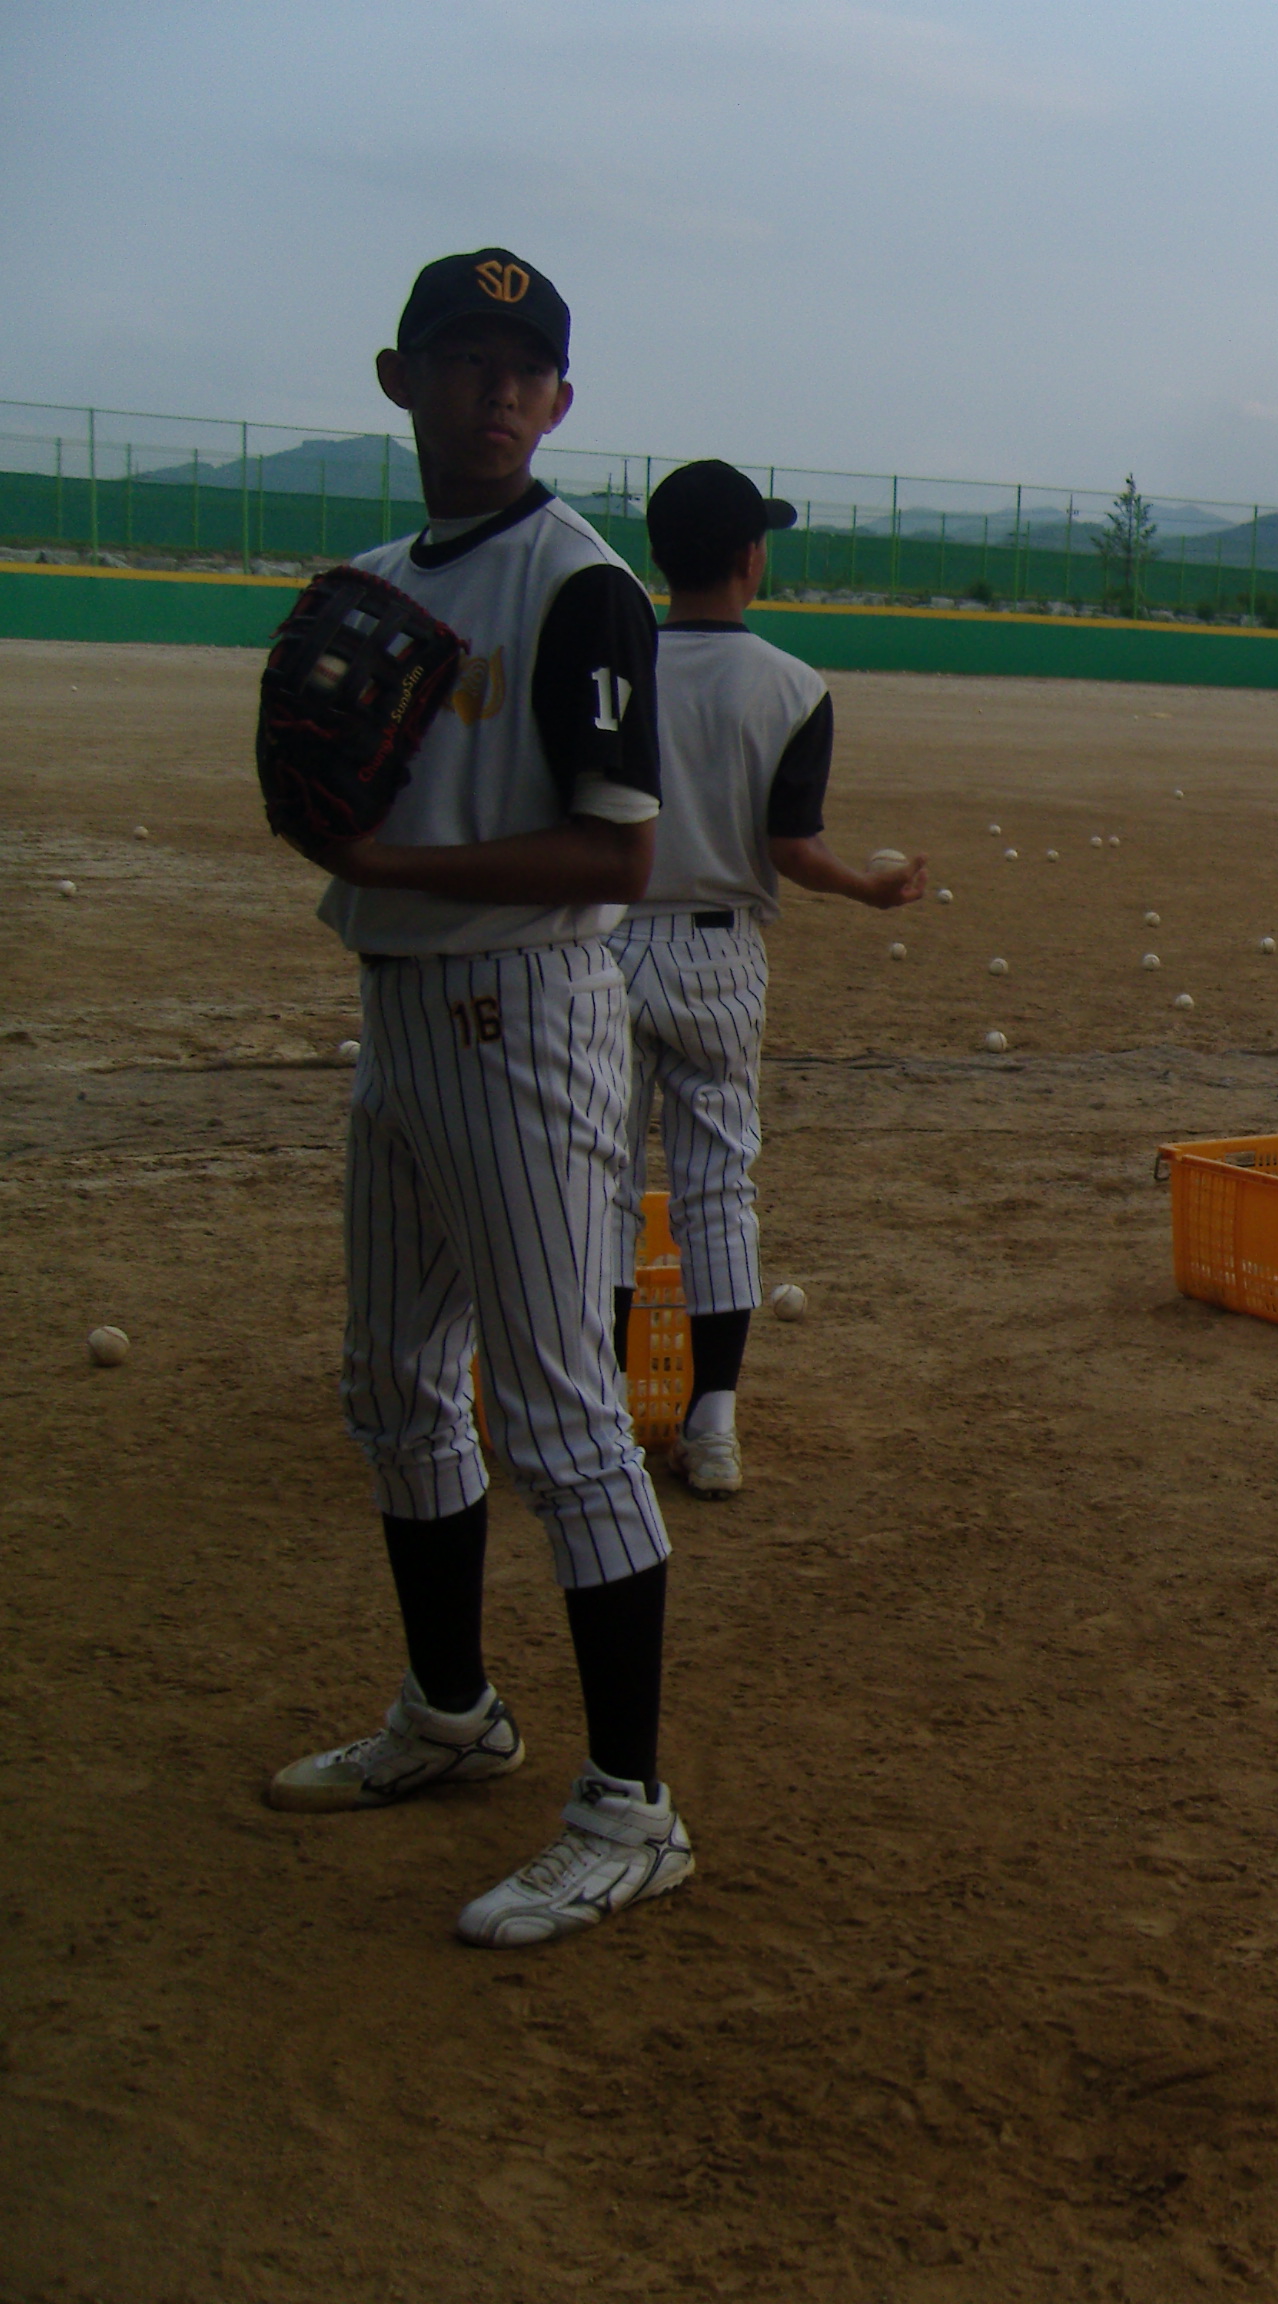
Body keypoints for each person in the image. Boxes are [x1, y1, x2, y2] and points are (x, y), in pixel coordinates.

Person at [265, 247, 695, 1948]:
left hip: (527, 1007)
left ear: (561, 402)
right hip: (402, 1012)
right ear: (400, 379)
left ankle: (630, 1806)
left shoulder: (580, 583)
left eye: (526, 369)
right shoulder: (370, 579)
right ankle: (450, 1709)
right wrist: (349, 850)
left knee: (563, 1413)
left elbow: (617, 847)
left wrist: (383, 852)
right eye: (462, 358)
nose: (496, 391)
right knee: (391, 1382)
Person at [608, 459, 926, 1499]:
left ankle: (602, 1419)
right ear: (751, 558)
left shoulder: (612, 669)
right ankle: (712, 1428)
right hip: (717, 954)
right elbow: (792, 848)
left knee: (598, 1189)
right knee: (716, 1192)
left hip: (601, 944)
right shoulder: (793, 684)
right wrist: (865, 890)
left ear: (658, 559)